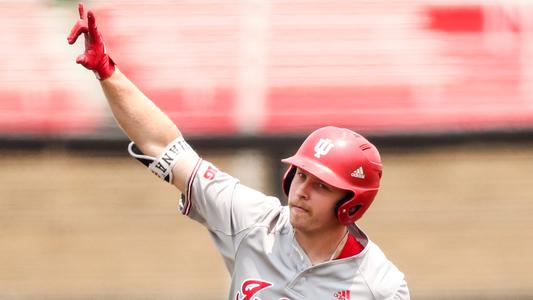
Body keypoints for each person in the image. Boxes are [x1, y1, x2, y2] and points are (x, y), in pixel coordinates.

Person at [67, 3, 410, 299]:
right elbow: (167, 148)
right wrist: (107, 71)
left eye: (321, 185)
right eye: (301, 175)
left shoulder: (381, 286)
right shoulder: (255, 222)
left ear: (351, 205)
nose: (301, 191)